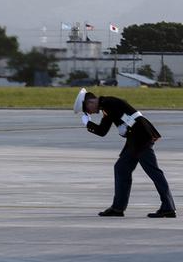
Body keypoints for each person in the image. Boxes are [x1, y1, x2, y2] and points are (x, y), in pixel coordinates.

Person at [73, 89, 177, 218]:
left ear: (90, 102)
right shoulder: (106, 106)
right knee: (121, 168)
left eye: (87, 110)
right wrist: (88, 123)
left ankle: (168, 207)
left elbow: (122, 120)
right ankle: (117, 208)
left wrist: (123, 125)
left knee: (153, 172)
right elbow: (102, 131)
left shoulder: (109, 103)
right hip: (135, 139)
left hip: (141, 137)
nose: (90, 112)